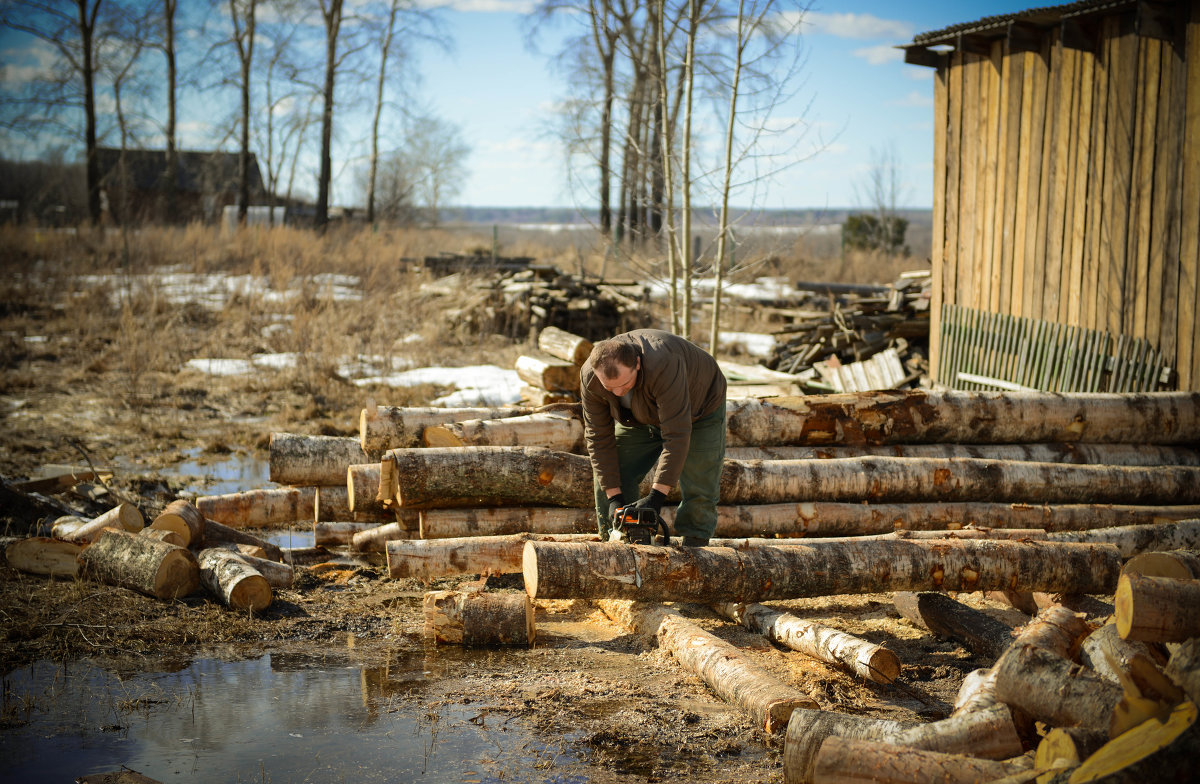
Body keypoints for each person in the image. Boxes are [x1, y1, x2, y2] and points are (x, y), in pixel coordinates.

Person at [579, 328, 727, 547]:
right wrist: (614, 498)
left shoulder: (663, 363)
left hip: (699, 410)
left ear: (637, 363)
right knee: (615, 470)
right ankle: (615, 542)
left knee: (700, 478)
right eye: (609, 388)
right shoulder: (590, 377)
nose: (618, 393)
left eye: (625, 385)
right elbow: (598, 438)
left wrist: (657, 496)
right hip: (641, 417)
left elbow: (676, 435)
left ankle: (696, 546)